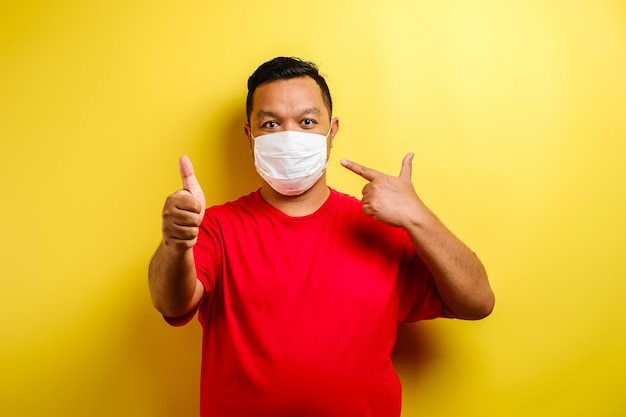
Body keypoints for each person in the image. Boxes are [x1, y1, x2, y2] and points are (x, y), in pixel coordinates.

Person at [148, 56, 495, 416]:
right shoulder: (216, 227)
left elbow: (477, 302)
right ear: (250, 136)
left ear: (332, 131)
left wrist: (417, 216)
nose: (289, 136)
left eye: (307, 121)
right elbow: (171, 304)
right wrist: (175, 243)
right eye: (271, 124)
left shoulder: (379, 226)